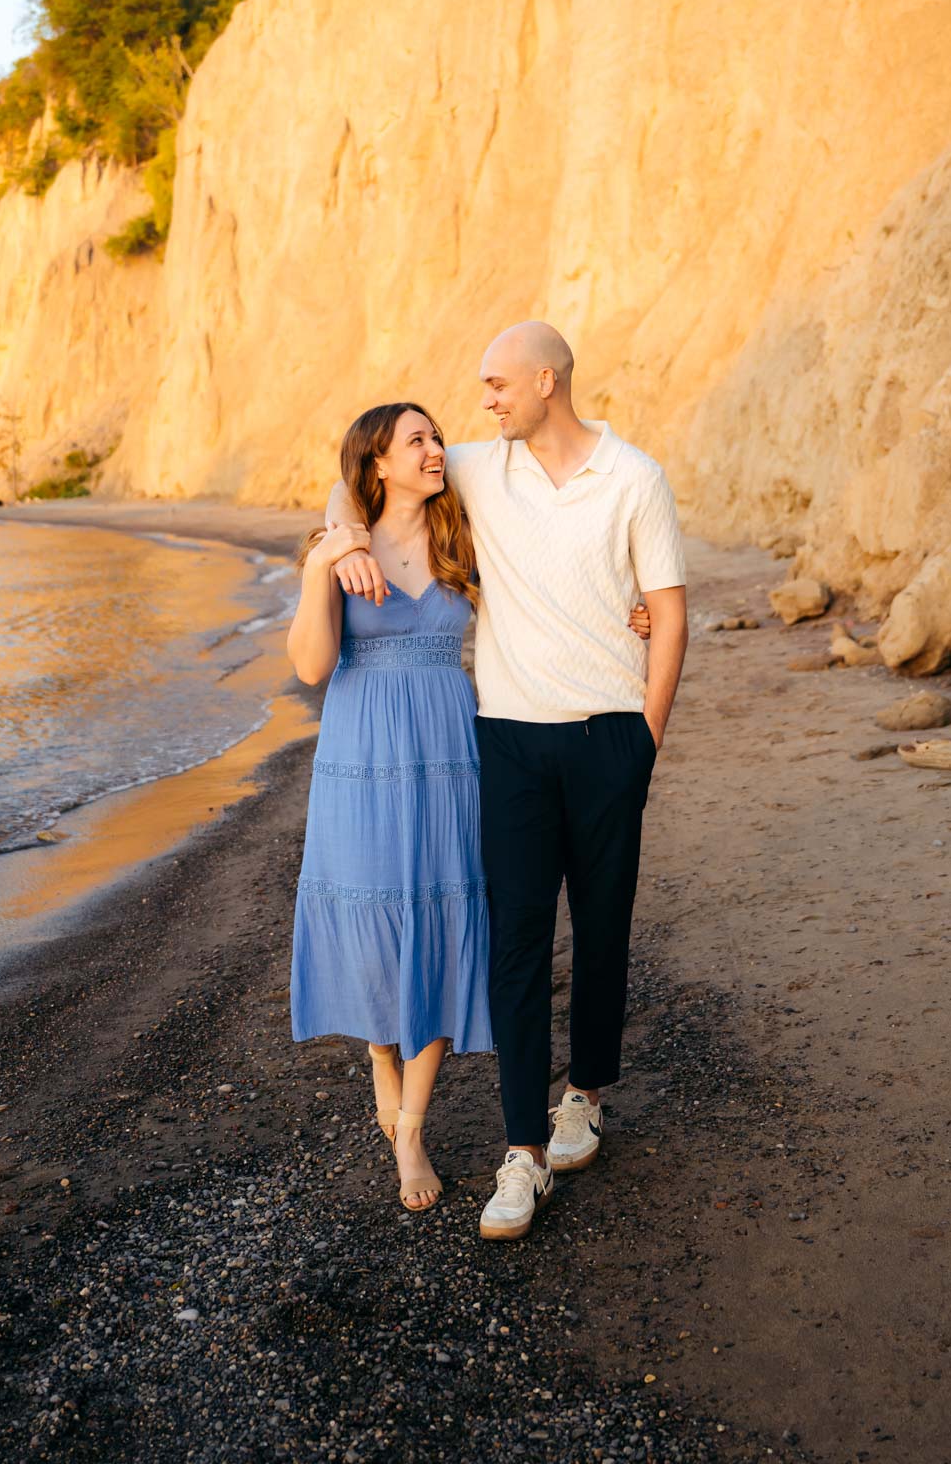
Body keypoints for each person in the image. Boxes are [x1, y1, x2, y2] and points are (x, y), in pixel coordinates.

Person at [328, 322, 687, 1241]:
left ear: (545, 380)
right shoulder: (480, 470)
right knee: (517, 946)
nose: (479, 404)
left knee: (603, 932)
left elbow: (671, 612)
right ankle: (521, 1152)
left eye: (495, 384)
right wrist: (339, 536)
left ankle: (585, 1096)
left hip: (610, 734)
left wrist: (644, 738)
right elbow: (358, 475)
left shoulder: (635, 477)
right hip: (510, 743)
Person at [287, 401, 489, 1212]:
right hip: (360, 752)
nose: (436, 449)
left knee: (443, 915)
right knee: (374, 918)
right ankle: (380, 1057)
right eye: (418, 440)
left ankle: (411, 1130)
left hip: (447, 752)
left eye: (436, 436)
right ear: (377, 462)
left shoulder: (462, 526)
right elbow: (309, 666)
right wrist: (323, 561)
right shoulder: (338, 544)